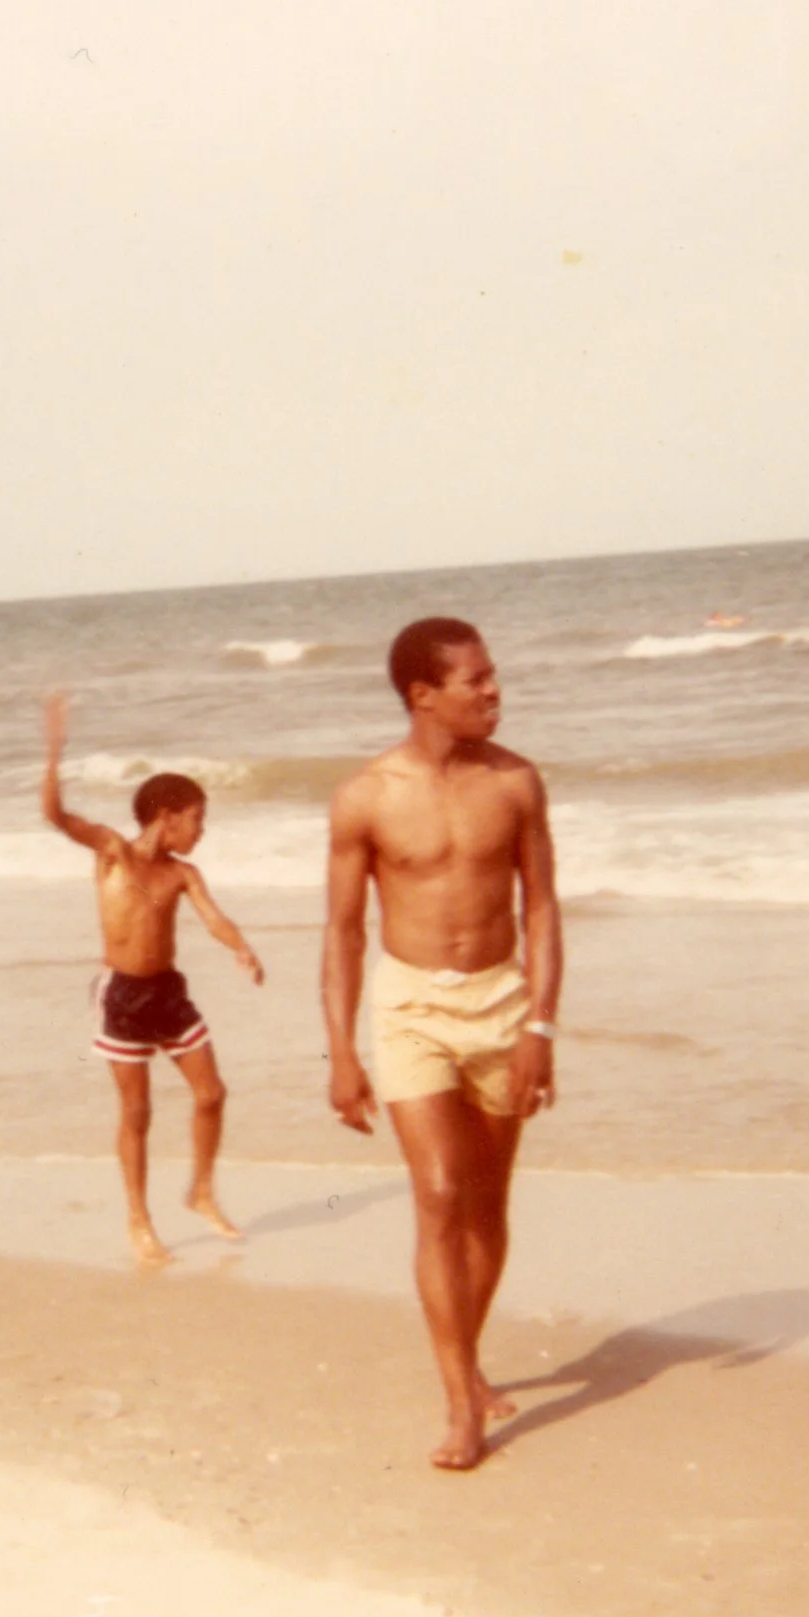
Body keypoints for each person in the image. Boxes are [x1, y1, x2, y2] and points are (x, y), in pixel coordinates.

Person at [322, 618, 564, 1470]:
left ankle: (469, 1358)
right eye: (477, 681)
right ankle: (463, 1403)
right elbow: (345, 932)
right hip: (410, 1005)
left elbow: (540, 908)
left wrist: (540, 1025)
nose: (495, 691)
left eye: (495, 675)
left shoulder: (518, 783)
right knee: (438, 1193)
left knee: (488, 1207)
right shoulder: (366, 797)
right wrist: (341, 1052)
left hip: (502, 1004)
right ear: (425, 695)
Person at [42, 692, 264, 1265]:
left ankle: (202, 1191)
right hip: (123, 996)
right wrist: (53, 753)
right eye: (197, 820)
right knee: (137, 1112)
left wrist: (241, 948)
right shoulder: (113, 852)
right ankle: (139, 1220)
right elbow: (57, 818)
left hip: (169, 993)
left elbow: (213, 917)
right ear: (167, 817)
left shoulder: (184, 873)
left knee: (212, 1093)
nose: (201, 831)